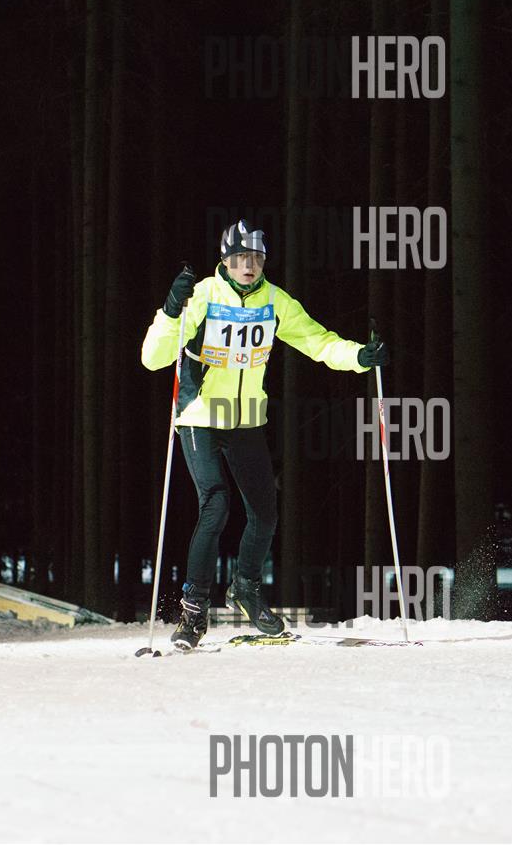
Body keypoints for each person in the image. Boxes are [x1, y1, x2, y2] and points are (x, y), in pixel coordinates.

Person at [140, 219, 391, 650]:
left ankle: (245, 587)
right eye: (240, 257)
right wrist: (170, 310)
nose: (248, 265)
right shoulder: (203, 295)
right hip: (201, 415)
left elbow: (317, 341)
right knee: (216, 504)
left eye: (256, 257)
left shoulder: (275, 300)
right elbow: (153, 358)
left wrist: (359, 356)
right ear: (225, 260)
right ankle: (193, 611)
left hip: (246, 419)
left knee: (265, 513)